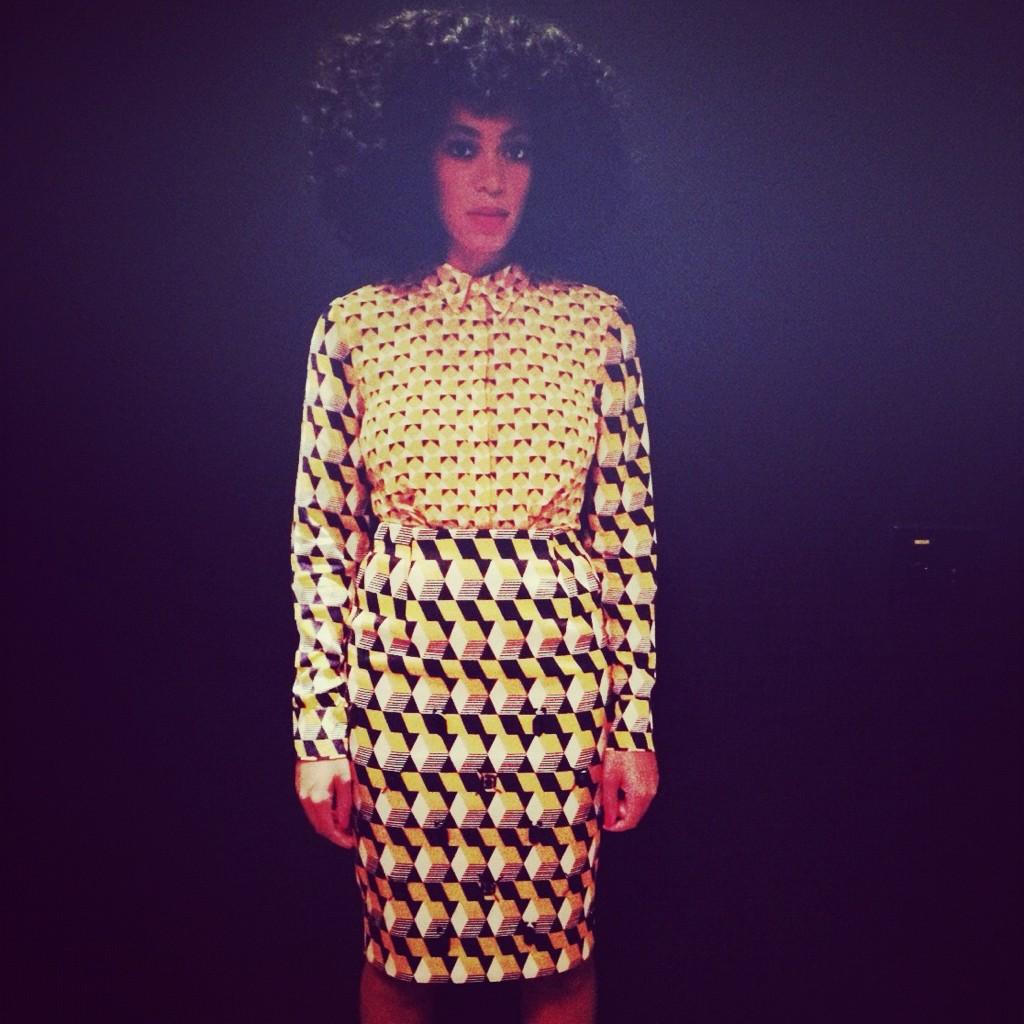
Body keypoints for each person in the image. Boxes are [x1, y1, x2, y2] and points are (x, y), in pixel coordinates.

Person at [290, 10, 658, 1023]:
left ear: (554, 165)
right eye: (462, 147)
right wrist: (320, 731)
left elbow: (626, 542)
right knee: (399, 957)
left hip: (554, 695)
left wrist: (631, 727)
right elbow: (322, 544)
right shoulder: (353, 326)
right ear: (410, 157)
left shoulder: (597, 324)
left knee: (559, 957)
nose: (492, 180)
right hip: (401, 696)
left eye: (516, 149)